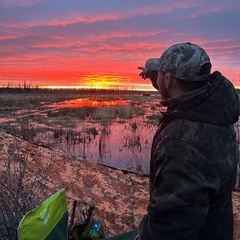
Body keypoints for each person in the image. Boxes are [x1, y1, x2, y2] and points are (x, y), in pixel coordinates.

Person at [137, 42, 239, 240]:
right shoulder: (212, 109)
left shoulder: (182, 145)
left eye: (160, 73)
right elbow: (170, 83)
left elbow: (169, 232)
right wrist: (151, 71)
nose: (157, 77)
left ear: (168, 79)